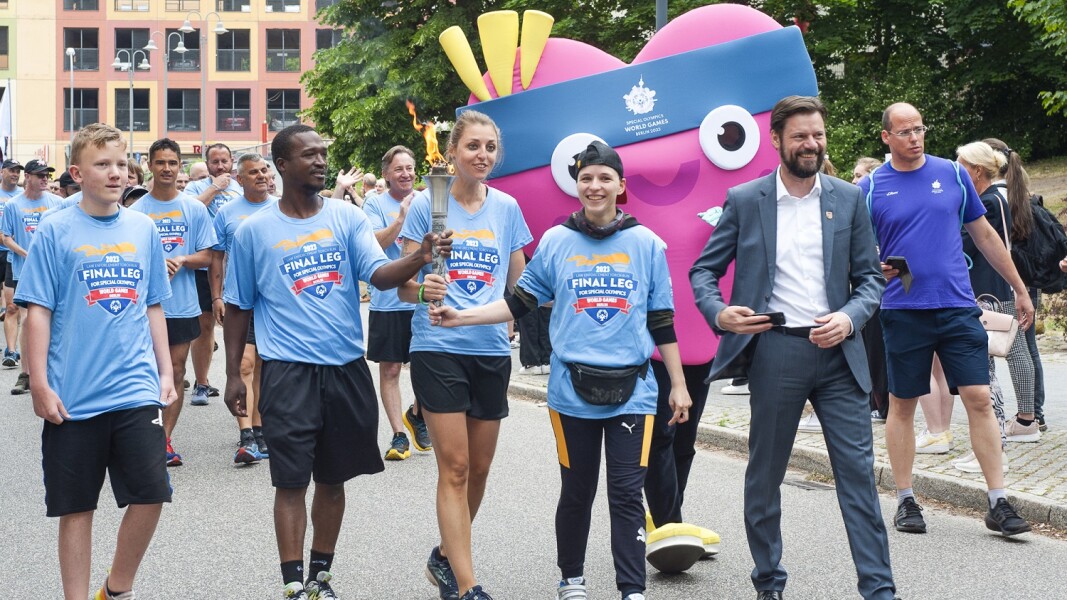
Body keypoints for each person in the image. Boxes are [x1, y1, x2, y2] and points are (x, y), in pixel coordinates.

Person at [433, 140, 689, 600]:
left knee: (628, 495)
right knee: (577, 490)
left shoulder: (647, 243)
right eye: (586, 178)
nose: (595, 186)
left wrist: (680, 386)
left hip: (633, 390)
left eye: (604, 178)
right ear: (577, 186)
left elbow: (662, 319)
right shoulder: (555, 242)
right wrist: (461, 315)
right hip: (571, 391)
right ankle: (571, 578)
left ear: (621, 186)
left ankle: (632, 590)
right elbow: (519, 302)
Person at [221, 124, 451, 600]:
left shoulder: (347, 217)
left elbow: (381, 277)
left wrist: (419, 258)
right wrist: (232, 376)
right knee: (290, 482)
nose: (321, 161)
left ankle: (320, 578)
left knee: (332, 477)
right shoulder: (253, 232)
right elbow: (239, 306)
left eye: (323, 153)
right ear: (281, 165)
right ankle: (291, 585)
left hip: (345, 370)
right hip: (286, 372)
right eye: (309, 155)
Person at [691, 96, 897, 600]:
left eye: (819, 135)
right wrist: (718, 311)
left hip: (839, 358)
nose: (812, 144)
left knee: (858, 482)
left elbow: (870, 281)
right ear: (778, 140)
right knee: (765, 478)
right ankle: (769, 583)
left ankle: (879, 589)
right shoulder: (745, 199)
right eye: (801, 136)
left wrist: (849, 319)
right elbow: (703, 270)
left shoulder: (848, 199)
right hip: (776, 351)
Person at [17, 122, 175, 600]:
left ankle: (116, 589)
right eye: (102, 165)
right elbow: (38, 311)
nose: (115, 173)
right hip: (74, 396)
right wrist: (40, 383)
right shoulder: (55, 230)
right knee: (77, 508)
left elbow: (152, 305)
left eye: (121, 164)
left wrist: (166, 371)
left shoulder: (143, 228)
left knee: (152, 495)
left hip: (134, 389)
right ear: (76, 173)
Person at [860, 102, 1033, 537]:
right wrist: (869, 267)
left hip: (958, 307)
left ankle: (998, 500)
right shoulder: (871, 187)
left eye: (919, 129)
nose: (914, 138)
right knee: (902, 404)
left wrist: (1020, 289)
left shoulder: (953, 174)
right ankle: (905, 499)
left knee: (977, 397)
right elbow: (854, 249)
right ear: (886, 137)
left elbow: (985, 235)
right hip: (903, 310)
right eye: (904, 132)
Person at [399, 109, 532, 600]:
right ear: (452, 151)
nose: (482, 155)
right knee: (453, 467)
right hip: (437, 346)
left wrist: (520, 319)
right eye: (472, 146)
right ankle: (467, 583)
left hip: (490, 348)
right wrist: (422, 286)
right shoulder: (424, 205)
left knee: (479, 469)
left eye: (490, 147)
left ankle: (443, 557)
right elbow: (401, 285)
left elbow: (519, 284)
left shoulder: (508, 209)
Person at [128, 138, 216, 467]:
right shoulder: (135, 213)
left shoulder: (193, 208)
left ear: (180, 166)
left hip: (181, 305)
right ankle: (141, 437)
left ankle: (164, 440)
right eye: (160, 162)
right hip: (142, 308)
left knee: (176, 370)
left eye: (172, 163)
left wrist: (182, 259)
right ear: (149, 165)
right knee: (145, 372)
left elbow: (208, 255)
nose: (166, 168)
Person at [958, 141, 1037, 445]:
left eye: (962, 164)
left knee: (1008, 351)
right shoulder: (995, 198)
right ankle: (1024, 418)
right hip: (995, 285)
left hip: (990, 287)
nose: (957, 170)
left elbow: (971, 243)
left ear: (976, 171)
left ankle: (1021, 420)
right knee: (1013, 350)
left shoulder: (987, 202)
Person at [362, 145, 433, 459]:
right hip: (388, 301)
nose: (406, 174)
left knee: (425, 368)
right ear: (386, 175)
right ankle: (398, 435)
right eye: (398, 169)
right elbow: (374, 244)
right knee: (390, 370)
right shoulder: (374, 203)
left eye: (409, 167)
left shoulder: (429, 201)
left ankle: (417, 413)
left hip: (421, 298)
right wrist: (402, 217)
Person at [210, 153, 277, 464]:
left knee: (263, 364)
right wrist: (217, 297)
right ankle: (245, 433)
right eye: (253, 172)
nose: (261, 176)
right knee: (244, 364)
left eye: (264, 170)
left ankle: (261, 428)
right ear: (239, 179)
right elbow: (216, 259)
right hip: (240, 299)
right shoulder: (227, 213)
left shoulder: (280, 208)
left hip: (272, 300)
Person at [984, 137, 1047, 433]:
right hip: (1025, 279)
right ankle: (1035, 414)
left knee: (1016, 349)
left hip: (1006, 281)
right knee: (1026, 347)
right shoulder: (1019, 191)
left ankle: (1027, 418)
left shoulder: (993, 198)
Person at [185, 144, 243, 405]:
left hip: (236, 267)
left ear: (232, 161)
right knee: (204, 326)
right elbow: (189, 211)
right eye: (214, 162)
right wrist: (215, 187)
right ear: (207, 164)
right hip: (204, 264)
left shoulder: (241, 187)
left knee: (238, 325)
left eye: (224, 161)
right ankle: (202, 382)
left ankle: (242, 376)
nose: (220, 166)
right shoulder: (196, 187)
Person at [2, 158, 63, 394]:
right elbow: (6, 237)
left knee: (55, 319)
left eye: (47, 174)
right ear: (27, 177)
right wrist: (27, 253)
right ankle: (26, 373)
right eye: (40, 175)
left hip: (52, 269)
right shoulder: (14, 205)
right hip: (23, 268)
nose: (45, 178)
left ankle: (52, 371)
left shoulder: (58, 202)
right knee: (28, 319)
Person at [0, 159, 22, 367]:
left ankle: (11, 350)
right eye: (12, 170)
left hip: (11, 254)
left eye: (18, 171)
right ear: (2, 171)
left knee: (12, 305)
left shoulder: (22, 198)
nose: (15, 174)